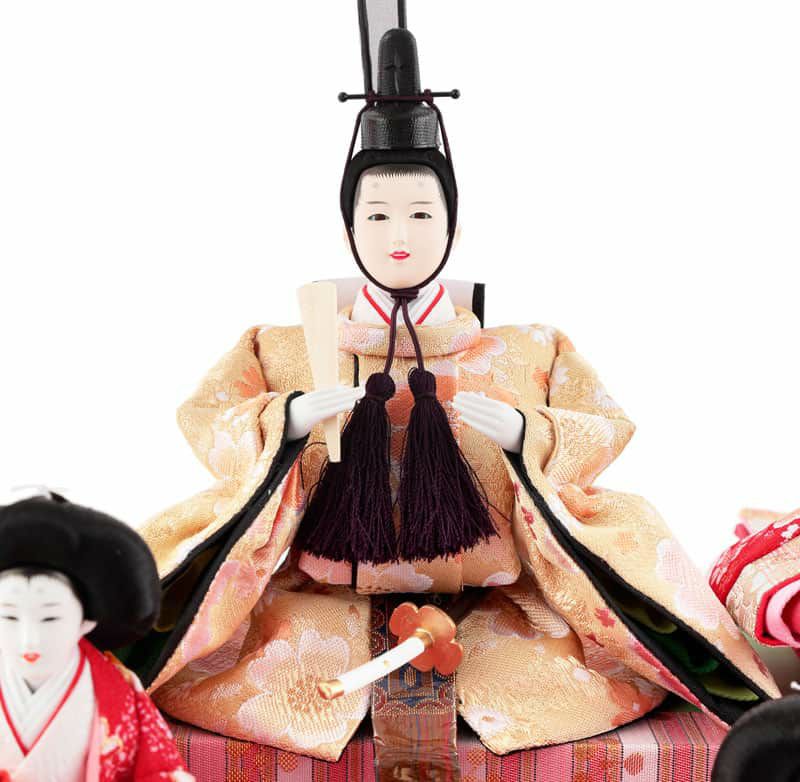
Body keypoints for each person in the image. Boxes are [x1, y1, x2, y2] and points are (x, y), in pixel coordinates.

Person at [128, 3, 777, 772]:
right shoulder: (282, 347)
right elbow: (207, 416)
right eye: (377, 215)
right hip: (313, 614)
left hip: (497, 617)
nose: (398, 234)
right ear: (348, 230)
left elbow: (604, 424)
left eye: (419, 213)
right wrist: (285, 420)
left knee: (584, 676)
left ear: (454, 228)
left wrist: (530, 435)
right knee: (236, 676)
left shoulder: (531, 347)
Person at [0, 493, 192, 782]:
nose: (30, 640)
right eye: (9, 617)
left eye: (50, 618)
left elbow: (158, 770)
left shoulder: (119, 691)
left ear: (86, 620)